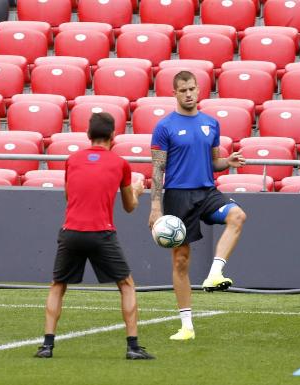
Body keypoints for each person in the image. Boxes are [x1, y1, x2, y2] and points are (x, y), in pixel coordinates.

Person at [35, 112, 154, 360]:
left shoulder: (72, 160)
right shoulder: (120, 164)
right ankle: (133, 347)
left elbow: (69, 196)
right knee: (127, 285)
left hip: (71, 232)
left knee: (58, 285)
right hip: (101, 233)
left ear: (88, 135)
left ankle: (47, 345)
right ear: (113, 136)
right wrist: (137, 190)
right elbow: (129, 206)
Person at [149, 70, 247, 341]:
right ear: (175, 93)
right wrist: (156, 206)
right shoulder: (165, 126)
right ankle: (187, 326)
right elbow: (158, 169)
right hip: (178, 196)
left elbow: (214, 161)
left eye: (192, 88)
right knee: (181, 261)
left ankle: (215, 273)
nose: (189, 94)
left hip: (207, 191)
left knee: (237, 216)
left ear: (198, 89)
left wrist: (228, 162)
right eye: (183, 90)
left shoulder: (211, 123)